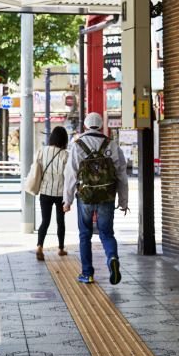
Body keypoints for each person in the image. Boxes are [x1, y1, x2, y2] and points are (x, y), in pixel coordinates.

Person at [63, 112, 129, 285]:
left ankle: (87, 273)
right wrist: (123, 202)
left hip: (85, 197)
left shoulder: (77, 145)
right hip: (106, 196)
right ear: (102, 126)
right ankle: (112, 258)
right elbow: (121, 175)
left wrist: (67, 201)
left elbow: (70, 174)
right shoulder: (112, 145)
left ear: (84, 127)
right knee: (106, 233)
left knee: (85, 235)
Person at [36, 126, 70, 261]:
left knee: (45, 221)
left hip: (45, 191)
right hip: (60, 193)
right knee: (60, 221)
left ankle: (39, 246)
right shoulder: (66, 154)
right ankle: (61, 249)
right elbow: (68, 177)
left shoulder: (42, 151)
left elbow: (37, 168)